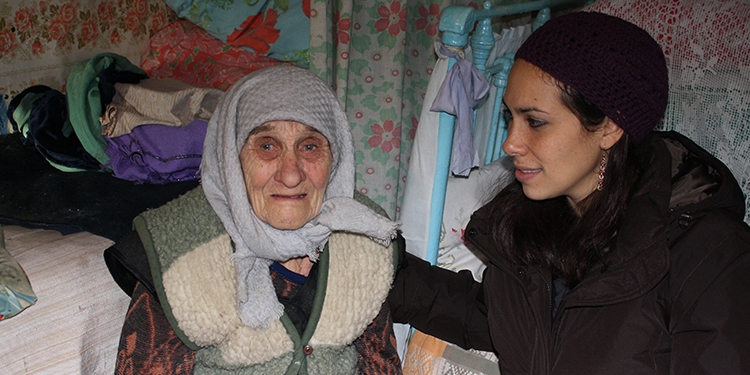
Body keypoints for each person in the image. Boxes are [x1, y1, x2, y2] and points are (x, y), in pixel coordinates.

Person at [388, 11, 750, 374]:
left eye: (535, 122)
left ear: (609, 126)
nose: (511, 143)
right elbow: (494, 318)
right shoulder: (536, 229)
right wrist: (377, 271)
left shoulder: (710, 253)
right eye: (509, 118)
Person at [111, 66, 403, 374]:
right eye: (267, 146)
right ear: (232, 156)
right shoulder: (176, 252)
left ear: (336, 156)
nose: (291, 174)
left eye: (309, 146)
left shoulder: (365, 238)